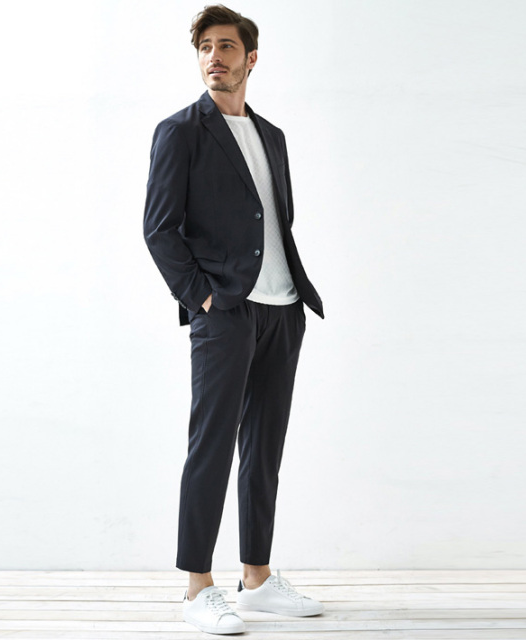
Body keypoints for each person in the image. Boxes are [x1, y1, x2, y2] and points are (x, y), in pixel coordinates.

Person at [143, 5, 325, 635]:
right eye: (205, 47)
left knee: (264, 450)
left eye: (225, 46)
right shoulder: (180, 132)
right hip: (225, 311)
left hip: (282, 308)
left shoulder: (272, 135)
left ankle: (257, 579)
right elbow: (160, 229)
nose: (213, 57)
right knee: (212, 445)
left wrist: (290, 299)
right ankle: (197, 587)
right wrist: (203, 298)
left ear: (251, 58)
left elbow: (276, 221)